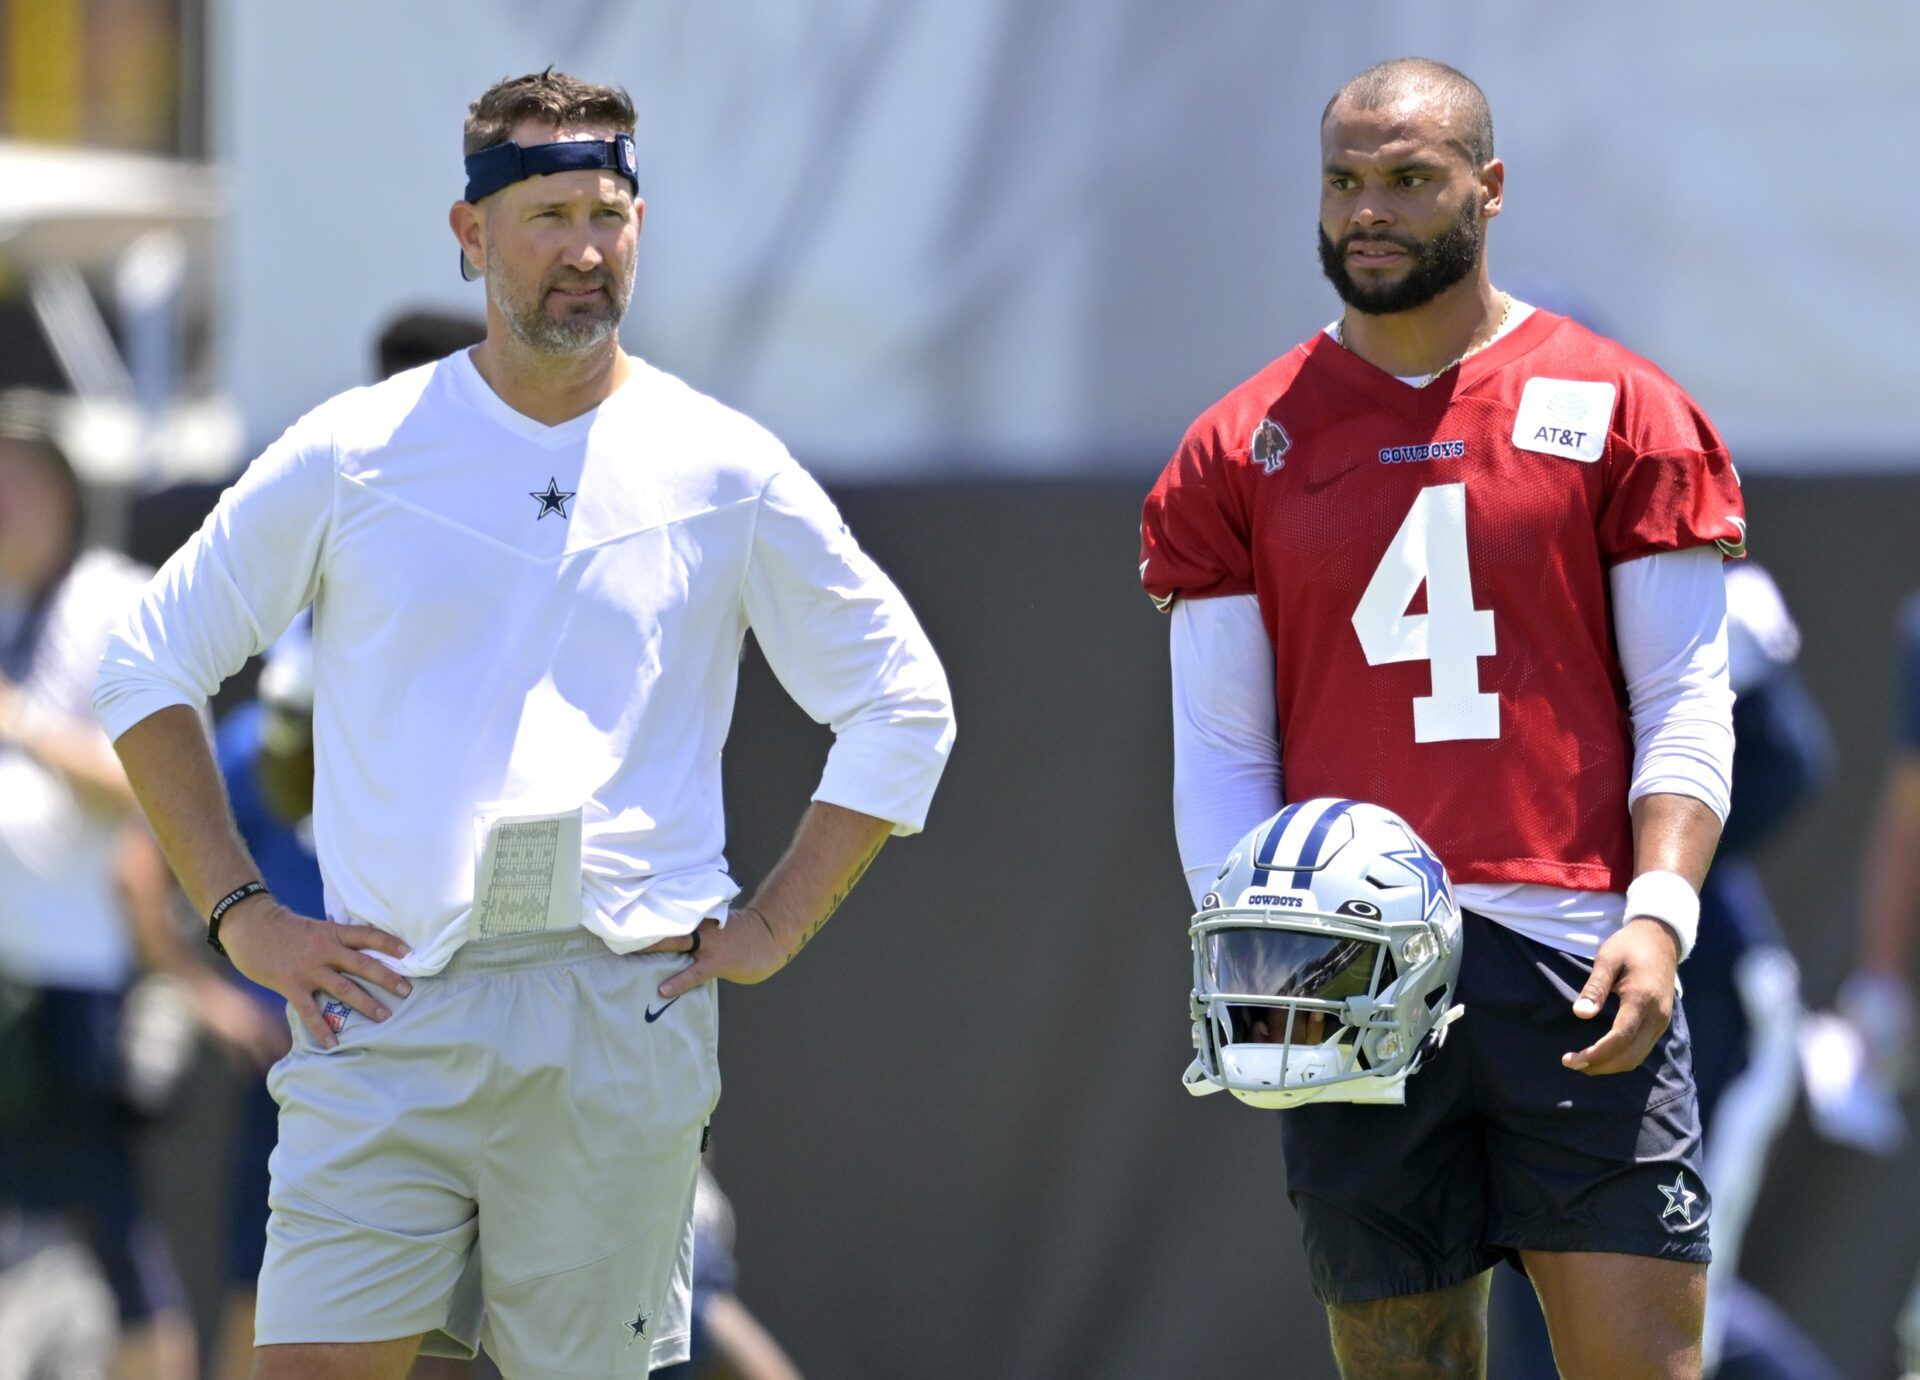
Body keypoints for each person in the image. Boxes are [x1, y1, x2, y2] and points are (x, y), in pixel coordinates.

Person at [94, 67, 954, 1380]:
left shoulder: (724, 462)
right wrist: (242, 916)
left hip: (616, 1019)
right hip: (380, 1005)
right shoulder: (354, 450)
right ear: (470, 233)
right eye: (547, 214)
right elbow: (147, 668)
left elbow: (904, 704)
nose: (584, 249)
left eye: (608, 213)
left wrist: (777, 922)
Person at [1140, 58, 1745, 1379]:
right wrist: (1252, 950)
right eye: (1346, 181)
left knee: (1645, 1364)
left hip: (1580, 956)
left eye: (1410, 179)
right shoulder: (1238, 448)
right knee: (1402, 1361)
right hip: (1341, 966)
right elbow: (1226, 750)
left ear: (1490, 187)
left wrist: (1660, 915)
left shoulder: (1624, 411)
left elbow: (1686, 702)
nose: (1371, 209)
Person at [1489, 562, 1841, 1379]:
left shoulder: (1662, 580)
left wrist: (1641, 881)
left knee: (1670, 1289)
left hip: (1699, 992)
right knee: (1547, 1269)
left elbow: (1791, 759)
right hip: (1555, 988)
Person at [0, 394, 197, 1380]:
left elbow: (142, 782)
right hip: (8, 981)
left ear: (71, 495)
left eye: (26, 478)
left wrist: (23, 726)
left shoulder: (111, 598)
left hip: (78, 979)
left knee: (109, 1232)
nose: (5, 499)